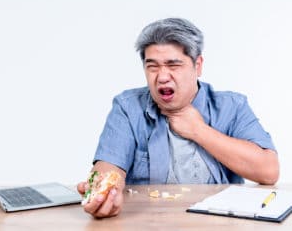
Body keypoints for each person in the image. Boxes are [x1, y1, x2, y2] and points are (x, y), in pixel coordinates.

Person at [77, 18, 279, 218]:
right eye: (152, 66)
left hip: (217, 223)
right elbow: (109, 165)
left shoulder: (232, 106)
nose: (162, 76)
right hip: (149, 221)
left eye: (173, 65)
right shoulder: (128, 107)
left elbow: (268, 171)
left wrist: (199, 130)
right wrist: (103, 191)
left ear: (197, 65)